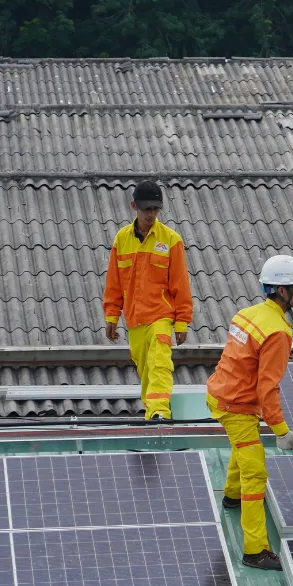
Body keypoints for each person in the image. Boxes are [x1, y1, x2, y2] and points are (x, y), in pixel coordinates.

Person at [206, 255, 293, 570]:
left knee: (244, 446)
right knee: (255, 471)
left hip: (220, 392)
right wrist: (281, 431)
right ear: (282, 290)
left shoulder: (246, 315)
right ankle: (255, 550)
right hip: (235, 405)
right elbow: (268, 388)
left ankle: (231, 497)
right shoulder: (278, 332)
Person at [103, 180, 193, 420]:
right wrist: (112, 316)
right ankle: (151, 415)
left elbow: (180, 284)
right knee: (146, 370)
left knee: (160, 363)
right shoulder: (122, 239)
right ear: (134, 206)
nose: (151, 214)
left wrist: (182, 322)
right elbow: (114, 283)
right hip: (135, 321)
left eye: (155, 209)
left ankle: (160, 412)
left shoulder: (171, 240)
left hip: (161, 316)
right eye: (146, 209)